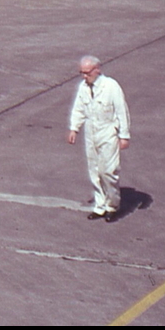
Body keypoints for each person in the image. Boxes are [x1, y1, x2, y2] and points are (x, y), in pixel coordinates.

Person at [66, 55, 130, 220]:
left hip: (108, 131)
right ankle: (100, 206)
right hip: (91, 132)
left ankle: (113, 206)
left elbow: (122, 111)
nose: (84, 76)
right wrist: (74, 128)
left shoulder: (111, 86)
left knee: (108, 171)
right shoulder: (83, 87)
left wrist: (124, 136)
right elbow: (79, 109)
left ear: (97, 70)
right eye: (82, 73)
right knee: (94, 171)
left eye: (87, 72)